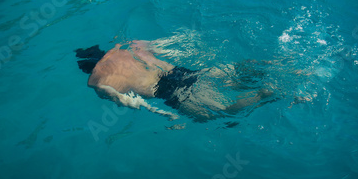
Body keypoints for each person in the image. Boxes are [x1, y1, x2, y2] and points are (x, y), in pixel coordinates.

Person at [75, 40, 274, 122]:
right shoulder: (128, 46)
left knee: (222, 114)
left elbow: (134, 103)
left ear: (87, 70)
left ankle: (265, 94)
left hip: (170, 92)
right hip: (183, 72)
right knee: (236, 80)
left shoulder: (97, 82)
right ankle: (274, 65)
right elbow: (171, 45)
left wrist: (163, 113)